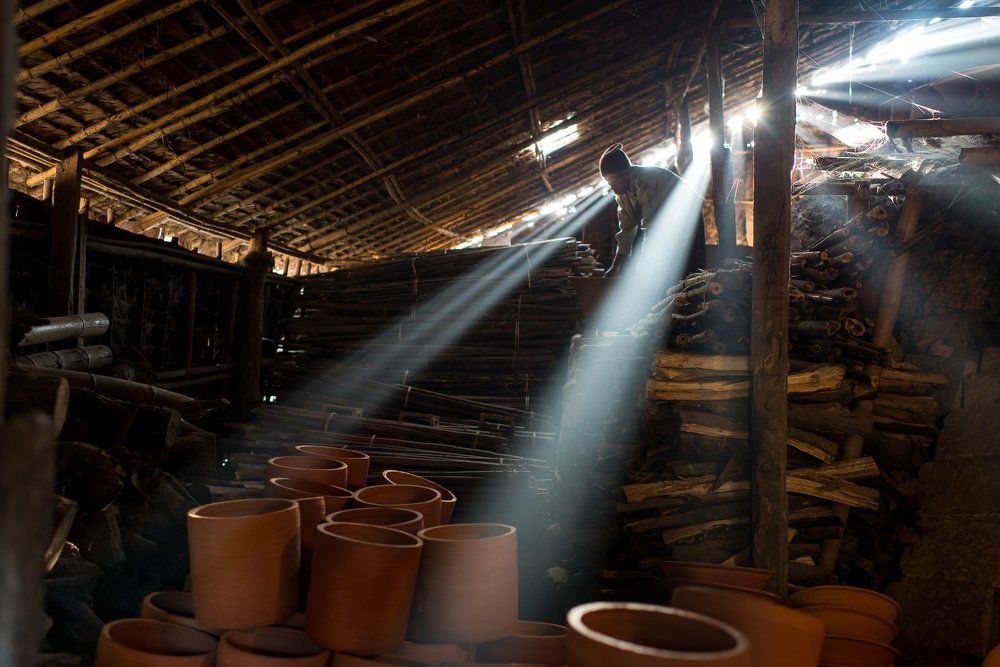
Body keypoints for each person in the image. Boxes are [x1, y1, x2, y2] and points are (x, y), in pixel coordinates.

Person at [599, 143, 681, 277]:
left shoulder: (646, 182)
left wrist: (642, 267)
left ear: (626, 173)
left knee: (685, 273)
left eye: (613, 182)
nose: (612, 188)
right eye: (609, 184)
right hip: (665, 225)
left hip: (688, 220)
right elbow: (626, 231)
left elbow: (652, 228)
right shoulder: (622, 194)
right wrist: (615, 266)